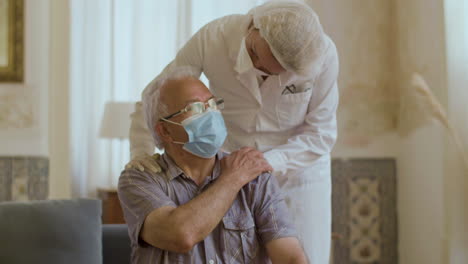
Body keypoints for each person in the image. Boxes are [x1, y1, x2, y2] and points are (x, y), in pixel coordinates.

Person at [127, 0, 339, 262]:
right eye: (253, 53)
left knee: (303, 254)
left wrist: (259, 165)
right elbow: (157, 96)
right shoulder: (213, 37)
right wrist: (140, 152)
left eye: (271, 69)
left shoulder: (322, 55)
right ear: (253, 26)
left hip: (297, 173)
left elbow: (321, 133)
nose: (258, 64)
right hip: (230, 171)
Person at [118, 69, 308, 263]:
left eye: (212, 104)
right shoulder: (139, 179)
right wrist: (233, 178)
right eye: (196, 108)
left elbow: (291, 257)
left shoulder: (254, 176)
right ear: (165, 130)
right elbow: (181, 235)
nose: (210, 114)